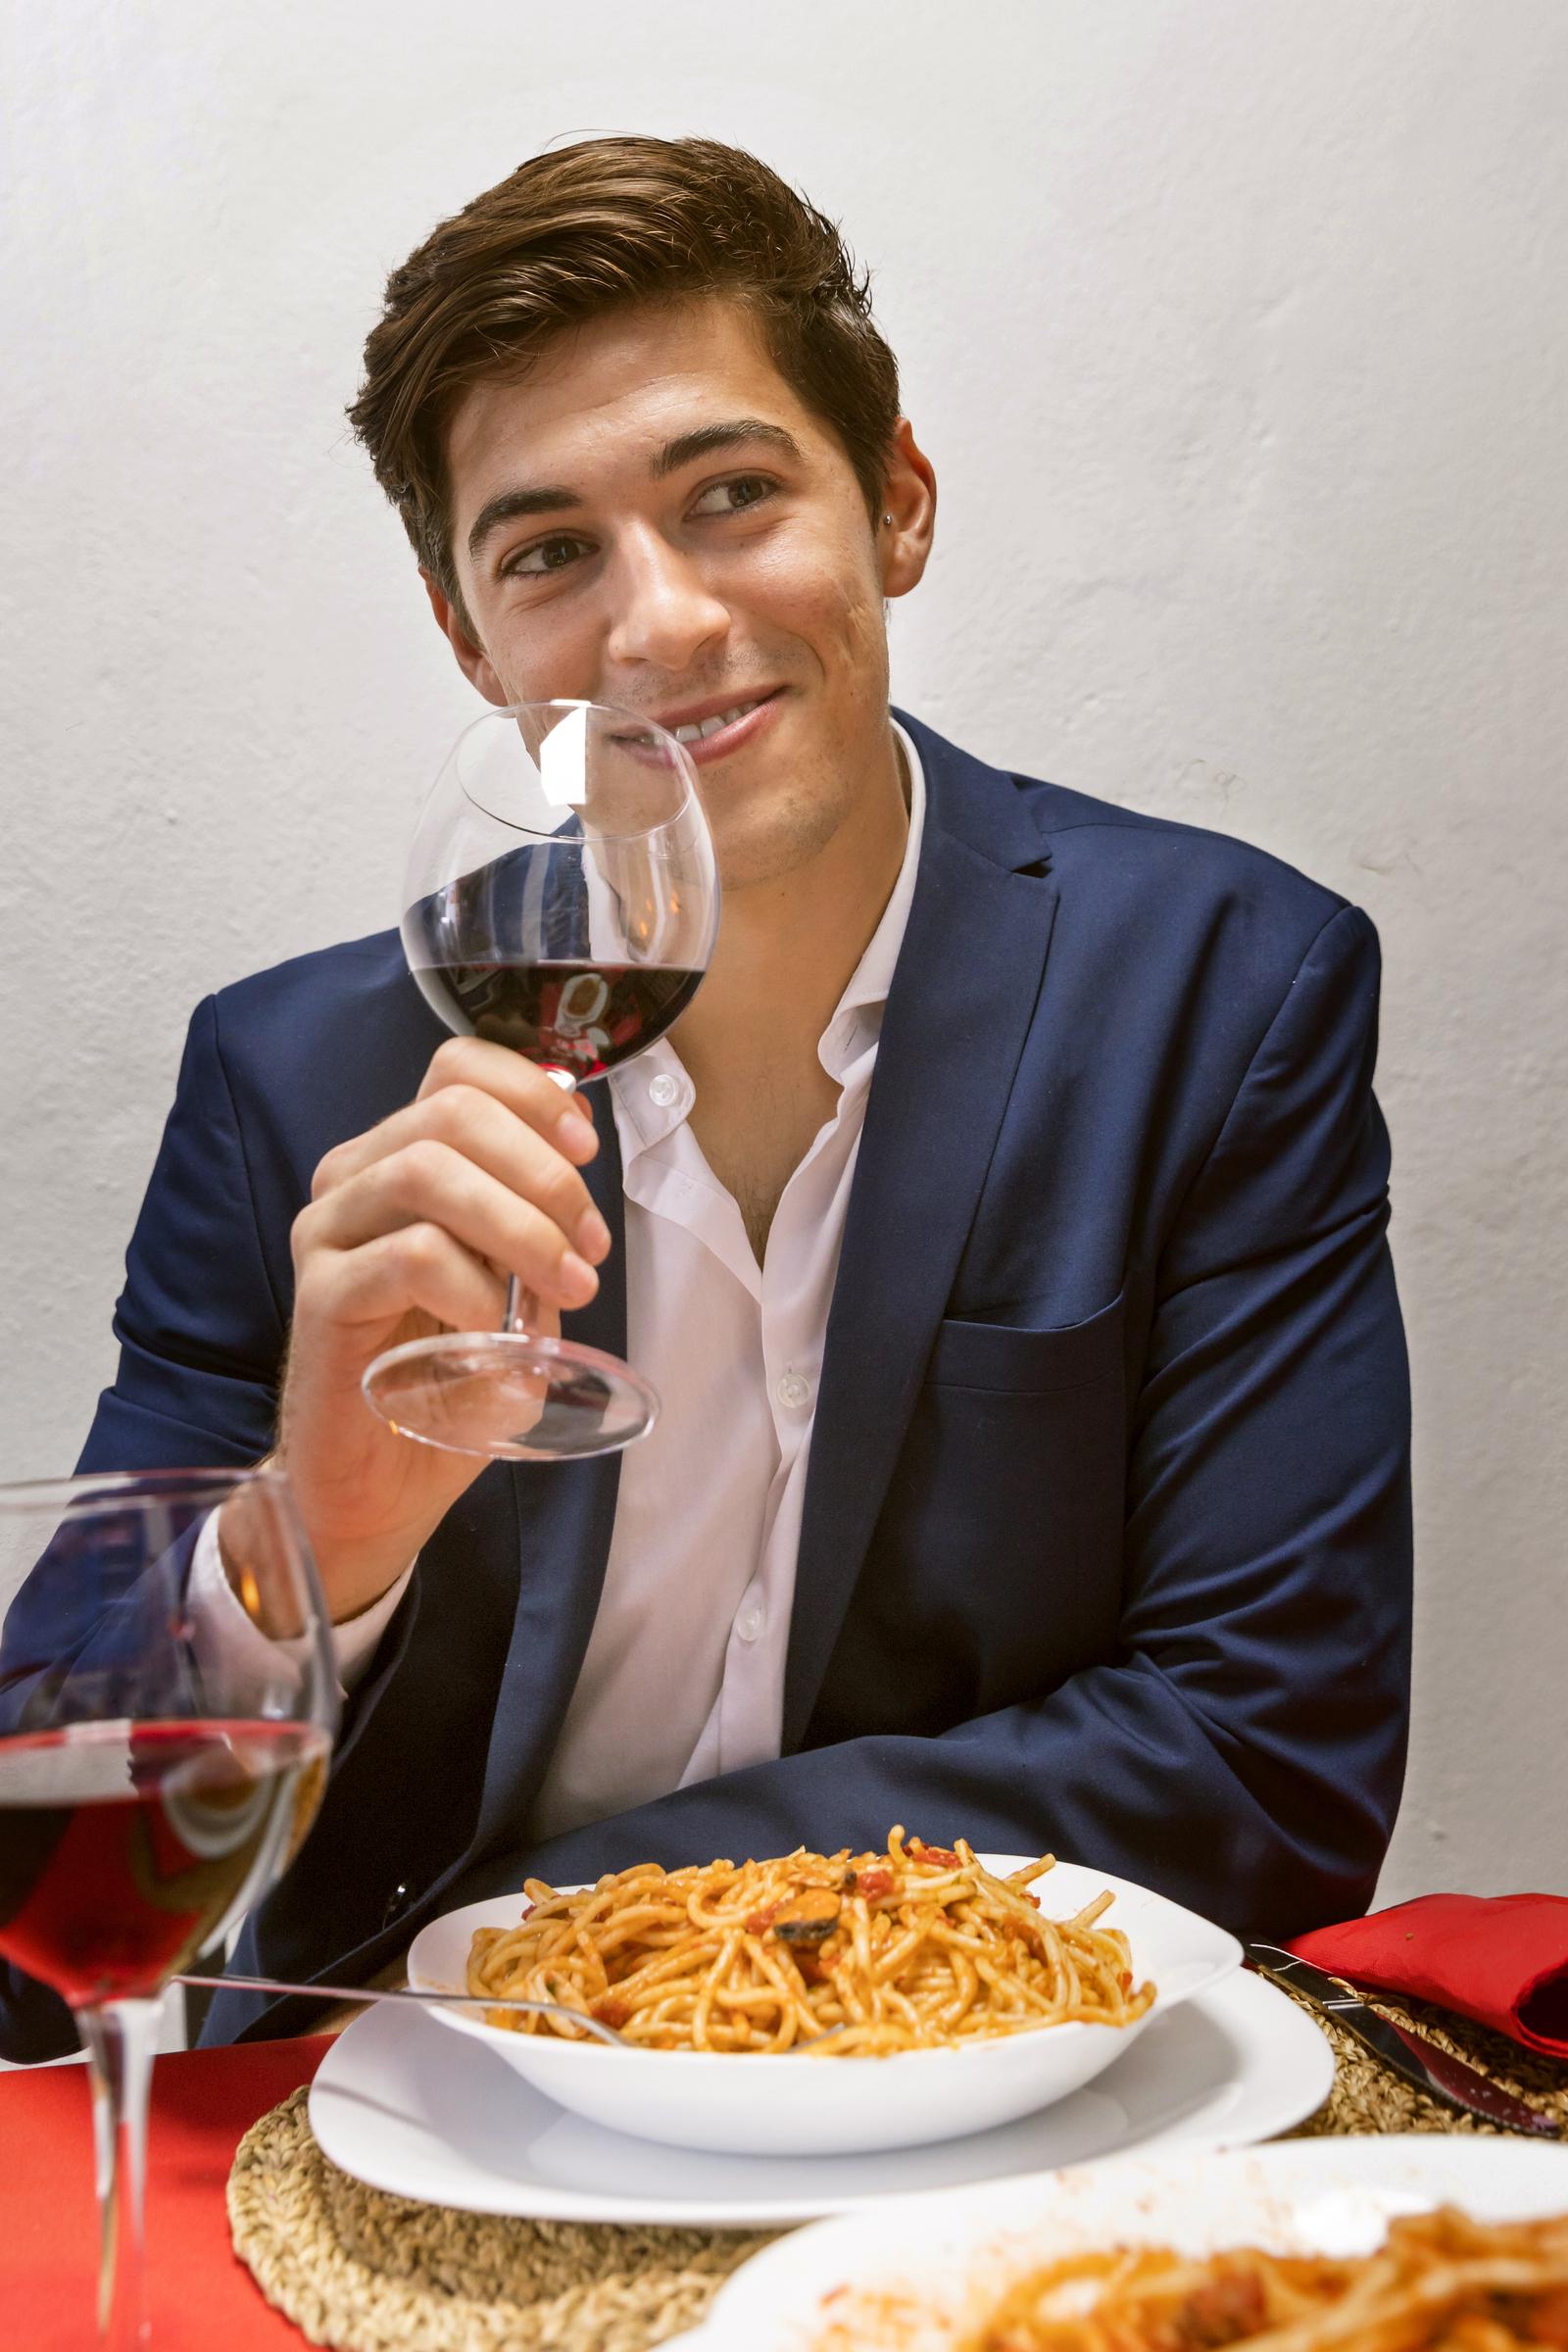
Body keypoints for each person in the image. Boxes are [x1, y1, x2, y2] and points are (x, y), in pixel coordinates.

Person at [0, 136, 1411, 2062]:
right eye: (550, 550)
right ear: (466, 636)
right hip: (405, 2117)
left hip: (997, 2079)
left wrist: (591, 1936)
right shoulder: (291, 1083)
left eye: (728, 495)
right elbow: (33, 1884)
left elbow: (1268, 1757)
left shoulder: (1225, 991)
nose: (656, 621)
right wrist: (301, 1556)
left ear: (893, 503)